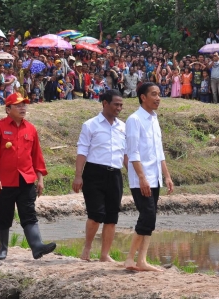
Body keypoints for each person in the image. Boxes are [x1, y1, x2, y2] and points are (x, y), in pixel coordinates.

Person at [0, 93, 56, 260]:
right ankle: (3, 249)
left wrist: (40, 179)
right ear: (8, 108)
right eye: (18, 105)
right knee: (3, 214)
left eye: (24, 105)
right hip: (4, 180)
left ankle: (37, 246)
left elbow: (37, 156)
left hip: (26, 179)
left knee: (29, 213)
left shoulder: (31, 128)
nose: (22, 108)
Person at [124, 82, 174, 272]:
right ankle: (130, 259)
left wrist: (167, 176)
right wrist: (142, 178)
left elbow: (158, 151)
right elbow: (133, 152)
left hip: (155, 177)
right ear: (143, 97)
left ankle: (141, 260)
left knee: (150, 218)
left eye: (159, 94)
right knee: (147, 215)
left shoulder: (154, 118)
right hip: (141, 179)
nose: (158, 98)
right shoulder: (134, 120)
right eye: (153, 94)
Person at [72, 90, 126, 262]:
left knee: (112, 216)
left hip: (115, 174)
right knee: (96, 215)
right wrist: (78, 176)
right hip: (94, 173)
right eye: (116, 104)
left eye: (121, 105)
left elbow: (126, 153)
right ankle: (87, 249)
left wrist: (136, 175)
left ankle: (105, 254)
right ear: (105, 103)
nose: (119, 108)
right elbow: (82, 151)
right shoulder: (90, 125)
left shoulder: (123, 127)